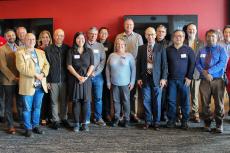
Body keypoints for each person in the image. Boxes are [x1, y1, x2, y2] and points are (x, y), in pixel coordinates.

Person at [16, 33, 50, 137]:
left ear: (36, 41)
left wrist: (43, 74)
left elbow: (46, 65)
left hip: (40, 85)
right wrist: (36, 74)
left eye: (33, 39)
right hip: (28, 85)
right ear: (25, 41)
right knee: (27, 108)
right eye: (29, 39)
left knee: (37, 107)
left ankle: (35, 126)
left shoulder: (40, 52)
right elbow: (21, 68)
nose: (31, 41)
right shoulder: (20, 53)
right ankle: (28, 128)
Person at [136, 27, 167, 130]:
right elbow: (138, 64)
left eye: (152, 34)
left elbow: (164, 65)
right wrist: (138, 78)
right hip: (145, 79)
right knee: (146, 101)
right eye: (148, 34)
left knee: (157, 102)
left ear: (155, 35)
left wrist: (163, 78)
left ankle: (156, 122)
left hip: (157, 79)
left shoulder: (161, 47)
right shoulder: (141, 48)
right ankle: (148, 121)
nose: (150, 36)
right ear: (145, 36)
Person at [196, 29, 227, 133]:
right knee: (205, 103)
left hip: (218, 80)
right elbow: (197, 64)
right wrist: (204, 73)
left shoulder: (221, 50)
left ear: (217, 38)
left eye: (213, 36)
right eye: (208, 36)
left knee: (219, 103)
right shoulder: (201, 50)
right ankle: (207, 122)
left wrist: (209, 72)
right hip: (204, 80)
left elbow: (222, 63)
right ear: (206, 38)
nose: (211, 38)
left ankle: (219, 124)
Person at [115, 18, 143, 122]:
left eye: (131, 25)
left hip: (134, 68)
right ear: (124, 25)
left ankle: (133, 113)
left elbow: (141, 53)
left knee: (133, 93)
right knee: (122, 94)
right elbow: (115, 53)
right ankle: (123, 114)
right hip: (121, 70)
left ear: (133, 26)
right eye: (127, 25)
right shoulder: (118, 36)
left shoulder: (138, 37)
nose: (129, 26)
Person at [166, 30, 195, 129]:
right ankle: (171, 120)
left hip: (184, 80)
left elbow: (192, 64)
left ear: (183, 38)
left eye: (181, 36)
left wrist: (189, 77)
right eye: (176, 36)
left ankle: (185, 121)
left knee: (185, 102)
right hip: (171, 80)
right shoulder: (168, 50)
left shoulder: (189, 50)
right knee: (171, 101)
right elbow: (164, 65)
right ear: (173, 37)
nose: (178, 38)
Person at [67, 32, 94, 132]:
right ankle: (76, 124)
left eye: (82, 38)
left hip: (86, 80)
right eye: (78, 38)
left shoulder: (89, 51)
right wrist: (79, 77)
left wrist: (86, 76)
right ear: (75, 40)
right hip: (75, 79)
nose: (80, 40)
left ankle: (84, 123)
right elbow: (69, 65)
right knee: (76, 102)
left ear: (85, 39)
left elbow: (92, 65)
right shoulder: (71, 51)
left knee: (86, 102)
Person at [106, 38, 136, 127]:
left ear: (125, 46)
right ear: (115, 45)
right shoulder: (111, 55)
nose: (119, 46)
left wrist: (132, 82)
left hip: (126, 84)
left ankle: (127, 119)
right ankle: (116, 118)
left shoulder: (129, 56)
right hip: (114, 83)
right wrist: (108, 82)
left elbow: (133, 69)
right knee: (116, 101)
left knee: (126, 101)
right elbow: (107, 69)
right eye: (118, 44)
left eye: (122, 44)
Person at [45, 29, 70, 130]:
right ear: (54, 37)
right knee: (54, 101)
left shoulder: (68, 48)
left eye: (62, 35)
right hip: (52, 79)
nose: (60, 37)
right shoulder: (48, 49)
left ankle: (64, 118)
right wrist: (46, 81)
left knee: (64, 101)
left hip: (65, 79)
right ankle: (55, 120)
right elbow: (45, 66)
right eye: (58, 35)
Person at [0, 29, 20, 134]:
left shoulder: (19, 48)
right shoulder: (2, 49)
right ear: (5, 37)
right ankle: (10, 125)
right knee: (8, 103)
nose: (11, 37)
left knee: (20, 102)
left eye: (13, 35)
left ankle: (22, 123)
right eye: (9, 35)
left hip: (20, 80)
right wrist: (14, 78)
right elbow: (3, 67)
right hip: (8, 80)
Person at [86, 27, 106, 126]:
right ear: (88, 34)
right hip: (86, 77)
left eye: (95, 34)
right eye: (91, 34)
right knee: (87, 98)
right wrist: (88, 74)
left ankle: (98, 118)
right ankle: (87, 118)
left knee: (98, 98)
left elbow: (102, 62)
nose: (93, 36)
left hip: (98, 76)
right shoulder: (83, 44)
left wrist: (96, 72)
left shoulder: (100, 46)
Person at [184, 23, 204, 122]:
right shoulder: (183, 42)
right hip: (184, 73)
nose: (191, 31)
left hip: (196, 73)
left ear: (196, 30)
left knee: (195, 95)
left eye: (193, 29)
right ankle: (183, 113)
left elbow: (203, 59)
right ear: (186, 31)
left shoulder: (201, 43)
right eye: (189, 29)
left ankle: (195, 113)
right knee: (183, 94)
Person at [98, 27, 114, 122]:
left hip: (106, 73)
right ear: (99, 34)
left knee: (106, 94)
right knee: (97, 95)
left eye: (105, 33)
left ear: (107, 35)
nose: (103, 34)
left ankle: (106, 114)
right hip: (95, 73)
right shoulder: (95, 44)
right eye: (102, 33)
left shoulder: (111, 45)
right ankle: (97, 115)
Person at [37, 30, 53, 126]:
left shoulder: (52, 49)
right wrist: (46, 81)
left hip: (52, 77)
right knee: (43, 99)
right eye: (43, 37)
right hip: (42, 77)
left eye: (47, 37)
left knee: (51, 99)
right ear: (40, 39)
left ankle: (50, 116)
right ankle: (43, 117)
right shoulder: (38, 50)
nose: (46, 39)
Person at [156, 24, 170, 121]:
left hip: (165, 74)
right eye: (159, 31)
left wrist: (165, 77)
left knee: (164, 96)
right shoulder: (150, 42)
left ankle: (163, 113)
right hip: (153, 73)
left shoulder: (169, 44)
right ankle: (155, 113)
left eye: (163, 32)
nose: (161, 33)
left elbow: (169, 61)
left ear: (165, 34)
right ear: (156, 32)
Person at [221, 25, 230, 115]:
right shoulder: (219, 44)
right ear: (223, 33)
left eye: (229, 32)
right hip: (221, 72)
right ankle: (221, 112)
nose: (227, 34)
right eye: (226, 32)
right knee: (220, 93)